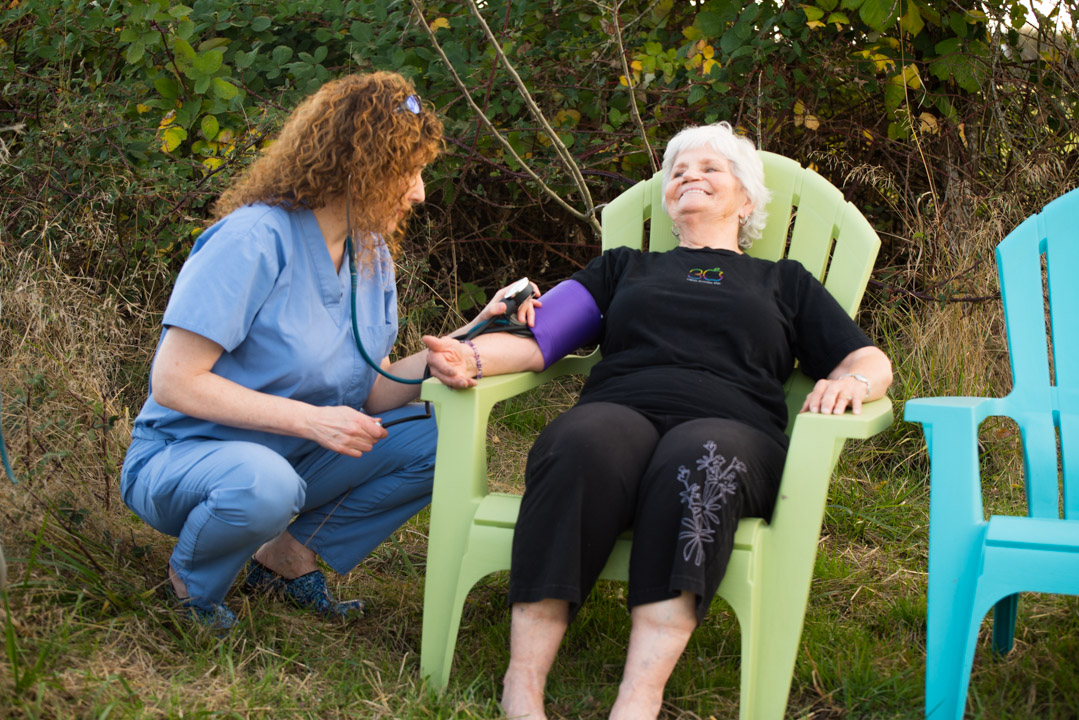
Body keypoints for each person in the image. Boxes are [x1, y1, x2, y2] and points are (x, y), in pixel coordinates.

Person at [423, 121, 893, 719]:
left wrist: (852, 382)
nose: (689, 176)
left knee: (701, 457)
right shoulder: (623, 267)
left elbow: (869, 359)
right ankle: (523, 685)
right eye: (678, 171)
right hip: (621, 408)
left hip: (735, 427)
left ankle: (640, 694)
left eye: (709, 169)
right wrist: (474, 356)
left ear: (746, 199)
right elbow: (541, 338)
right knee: (582, 442)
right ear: (667, 200)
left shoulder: (785, 282)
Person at [121, 71, 532, 632]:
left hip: (294, 456)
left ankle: (284, 559)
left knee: (442, 439)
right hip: (186, 456)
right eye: (408, 171)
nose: (419, 192)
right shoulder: (252, 240)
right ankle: (192, 589)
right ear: (359, 168)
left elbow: (373, 388)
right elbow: (175, 381)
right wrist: (312, 421)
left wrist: (478, 328)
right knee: (264, 483)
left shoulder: (371, 255)